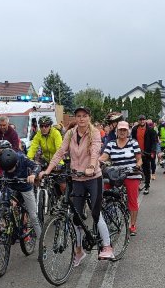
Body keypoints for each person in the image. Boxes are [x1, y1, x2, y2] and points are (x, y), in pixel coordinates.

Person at [40, 106, 114, 265]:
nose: (81, 118)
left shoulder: (94, 132)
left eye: (84, 116)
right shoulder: (70, 133)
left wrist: (92, 166)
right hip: (77, 179)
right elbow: (60, 152)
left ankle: (107, 246)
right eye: (78, 116)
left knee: (95, 213)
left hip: (93, 177)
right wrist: (47, 170)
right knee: (76, 217)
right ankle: (79, 251)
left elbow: (95, 150)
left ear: (89, 117)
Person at [0, 142, 42, 238]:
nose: (10, 171)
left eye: (11, 169)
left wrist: (33, 174)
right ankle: (1, 226)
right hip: (10, 186)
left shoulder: (21, 157)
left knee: (33, 216)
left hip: (25, 188)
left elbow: (37, 166)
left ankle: (41, 244)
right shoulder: (1, 160)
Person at [99, 121, 142, 236]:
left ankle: (132, 224)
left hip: (131, 173)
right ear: (116, 131)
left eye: (124, 130)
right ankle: (109, 216)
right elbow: (104, 156)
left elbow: (139, 159)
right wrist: (96, 162)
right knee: (105, 192)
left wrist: (137, 166)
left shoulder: (133, 143)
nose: (122, 132)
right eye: (120, 130)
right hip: (115, 173)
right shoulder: (112, 143)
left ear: (128, 131)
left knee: (132, 200)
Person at [131, 115, 157, 194]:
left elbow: (154, 142)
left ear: (145, 121)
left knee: (146, 170)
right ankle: (138, 185)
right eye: (140, 120)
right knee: (136, 169)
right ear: (138, 121)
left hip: (146, 153)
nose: (142, 121)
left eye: (143, 120)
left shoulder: (150, 130)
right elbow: (132, 140)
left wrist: (152, 152)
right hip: (137, 152)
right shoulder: (135, 129)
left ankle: (147, 186)